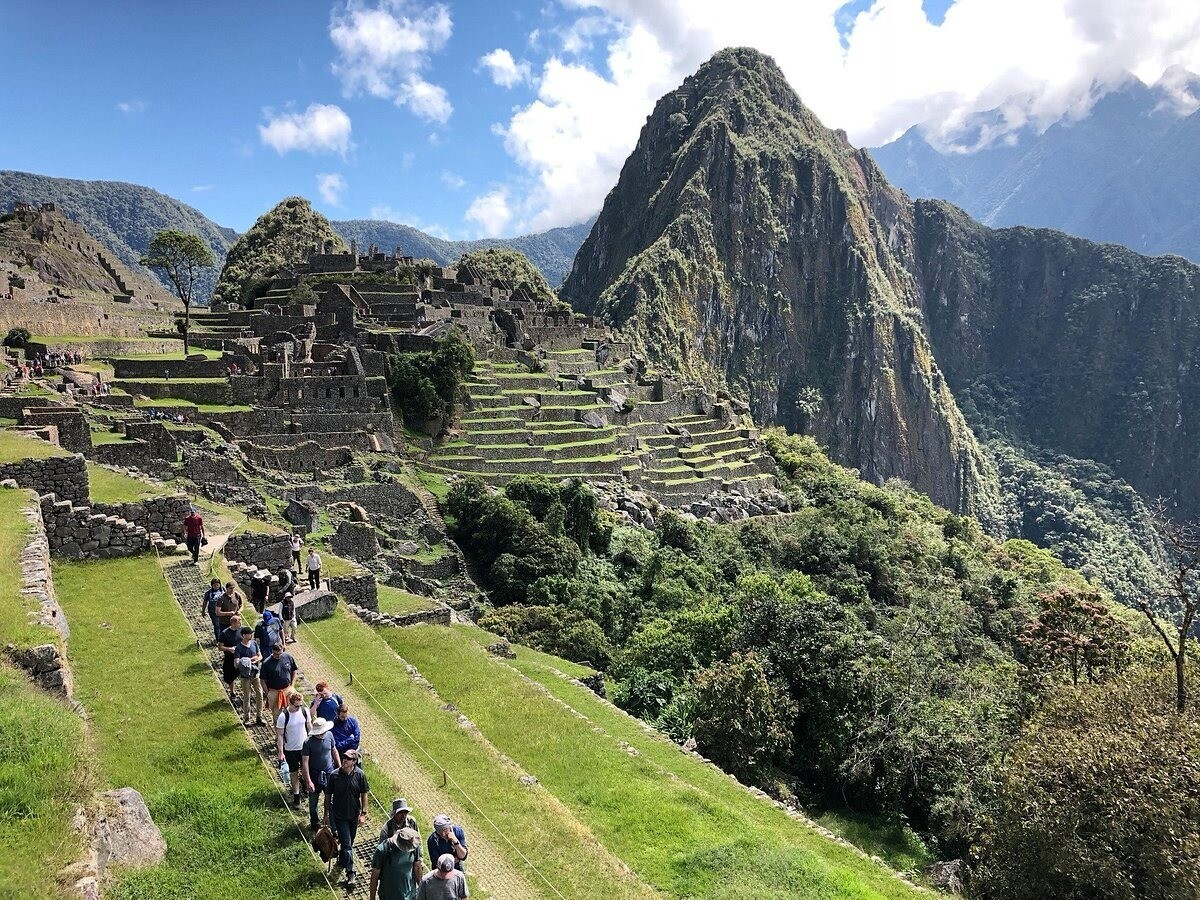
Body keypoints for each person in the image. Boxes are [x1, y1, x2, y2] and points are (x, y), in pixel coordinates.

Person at [324, 748, 369, 889]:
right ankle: (351, 874)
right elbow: (328, 796)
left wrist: (363, 813)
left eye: (348, 758)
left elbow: (364, 794)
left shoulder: (360, 775)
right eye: (343, 757)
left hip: (353, 816)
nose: (344, 760)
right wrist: (325, 814)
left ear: (354, 761)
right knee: (347, 843)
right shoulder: (334, 776)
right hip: (339, 816)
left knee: (349, 842)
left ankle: (343, 860)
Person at [300, 717, 339, 831]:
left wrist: (339, 767)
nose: (321, 735)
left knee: (330, 800)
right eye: (319, 733)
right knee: (313, 801)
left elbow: (334, 750)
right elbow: (305, 762)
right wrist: (308, 780)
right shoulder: (308, 743)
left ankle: (331, 823)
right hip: (314, 775)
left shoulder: (330, 736)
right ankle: (315, 822)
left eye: (322, 732)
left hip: (329, 773)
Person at [277, 690, 312, 808]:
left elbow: (309, 727)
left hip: (304, 747)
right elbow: (280, 735)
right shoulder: (283, 717)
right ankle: (296, 795)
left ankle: (304, 782)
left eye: (300, 705)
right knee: (294, 772)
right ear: (290, 703)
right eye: (297, 706)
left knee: (305, 769)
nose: (299, 708)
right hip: (290, 749)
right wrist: (281, 752)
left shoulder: (304, 711)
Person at [370, 824, 422, 900]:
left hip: (410, 895)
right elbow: (374, 875)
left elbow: (417, 867)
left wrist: (422, 890)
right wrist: (372, 898)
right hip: (389, 895)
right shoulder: (383, 849)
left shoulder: (413, 845)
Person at [233, 626, 264, 727]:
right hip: (245, 676)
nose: (251, 635)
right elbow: (236, 664)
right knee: (247, 697)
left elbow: (260, 656)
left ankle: (259, 716)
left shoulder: (254, 644)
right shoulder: (238, 648)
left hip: (256, 674)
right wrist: (248, 661)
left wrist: (257, 659)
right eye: (249, 634)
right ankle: (247, 718)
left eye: (251, 633)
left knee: (260, 695)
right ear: (243, 635)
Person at [259, 640, 298, 716]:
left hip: (288, 689)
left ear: (282, 649)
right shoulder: (266, 663)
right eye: (276, 654)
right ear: (272, 651)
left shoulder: (288, 657)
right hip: (274, 692)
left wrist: (292, 685)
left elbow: (294, 671)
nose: (278, 656)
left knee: (293, 711)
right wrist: (268, 693)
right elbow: (262, 680)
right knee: (277, 715)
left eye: (280, 653)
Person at [217, 613, 243, 698]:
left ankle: (245, 690)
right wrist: (229, 649)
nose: (241, 624)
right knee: (230, 676)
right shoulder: (225, 633)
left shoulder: (242, 630)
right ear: (233, 623)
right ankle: (232, 692)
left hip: (241, 657)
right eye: (239, 623)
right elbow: (220, 647)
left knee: (244, 674)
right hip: (230, 658)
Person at [201, 577, 224, 643]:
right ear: (212, 585)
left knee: (223, 624)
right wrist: (203, 611)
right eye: (214, 585)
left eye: (217, 584)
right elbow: (205, 602)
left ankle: (224, 638)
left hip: (223, 610)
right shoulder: (208, 593)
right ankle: (218, 640)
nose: (216, 586)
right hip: (213, 611)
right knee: (217, 625)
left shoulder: (223, 590)